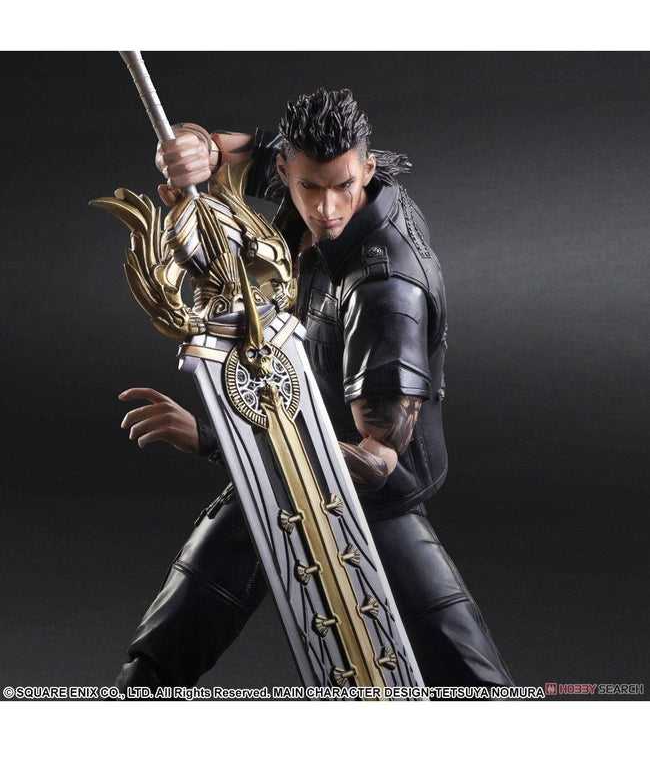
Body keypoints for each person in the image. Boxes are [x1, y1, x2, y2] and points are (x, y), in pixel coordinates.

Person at [115, 88, 514, 691]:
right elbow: (223, 151)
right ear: (286, 172)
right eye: (310, 188)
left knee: (473, 683)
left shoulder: (386, 289)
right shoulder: (307, 175)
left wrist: (215, 440)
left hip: (367, 499)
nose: (327, 209)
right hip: (286, 452)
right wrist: (192, 147)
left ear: (368, 170)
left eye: (343, 186)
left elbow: (374, 462)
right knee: (159, 654)